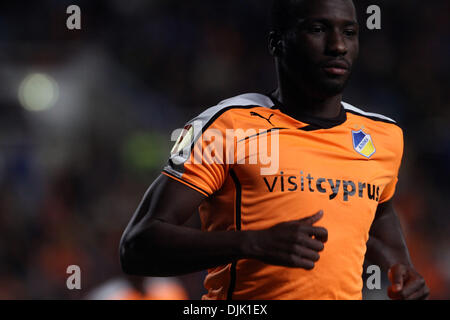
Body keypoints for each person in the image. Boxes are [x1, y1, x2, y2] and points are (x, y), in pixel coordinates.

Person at [119, 0, 429, 300]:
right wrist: (251, 242)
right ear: (276, 42)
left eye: (349, 32)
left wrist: (400, 267)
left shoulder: (384, 136)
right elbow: (137, 246)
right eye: (318, 29)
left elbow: (379, 211)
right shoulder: (226, 127)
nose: (338, 46)